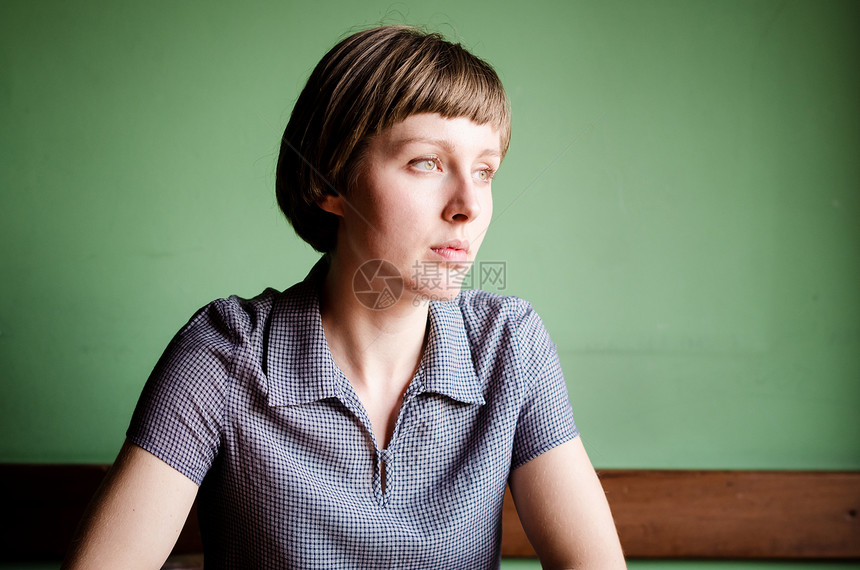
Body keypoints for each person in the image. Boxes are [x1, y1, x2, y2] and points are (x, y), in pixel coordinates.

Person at [63, 25, 625, 569]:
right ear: (328, 183)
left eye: (484, 171)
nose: (468, 206)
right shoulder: (223, 355)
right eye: (426, 163)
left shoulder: (509, 344)